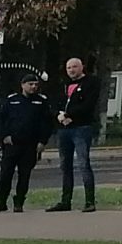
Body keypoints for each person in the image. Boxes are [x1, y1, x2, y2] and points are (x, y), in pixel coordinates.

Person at [0, 72, 55, 213]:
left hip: (30, 145)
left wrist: (42, 142)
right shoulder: (12, 100)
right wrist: (4, 136)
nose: (33, 87)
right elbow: (0, 120)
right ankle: (0, 202)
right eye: (30, 84)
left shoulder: (41, 101)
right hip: (12, 144)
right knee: (6, 174)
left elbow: (47, 123)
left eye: (36, 85)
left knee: (24, 176)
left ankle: (19, 202)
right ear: (22, 85)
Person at [44, 56, 102, 211]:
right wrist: (59, 115)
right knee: (65, 165)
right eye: (69, 68)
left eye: (74, 67)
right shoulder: (63, 85)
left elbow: (88, 105)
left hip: (81, 128)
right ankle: (65, 200)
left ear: (81, 67)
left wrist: (69, 115)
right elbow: (53, 103)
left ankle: (90, 201)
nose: (71, 70)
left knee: (83, 164)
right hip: (63, 129)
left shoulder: (91, 83)